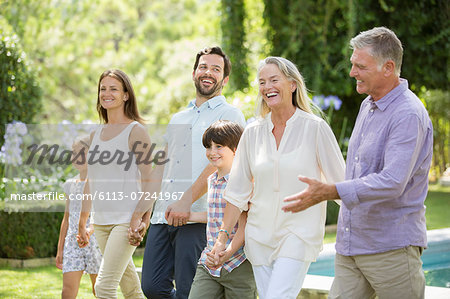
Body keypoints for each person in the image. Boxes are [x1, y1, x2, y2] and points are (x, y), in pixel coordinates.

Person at [283, 27, 433, 299]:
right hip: (352, 246)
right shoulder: (368, 105)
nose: (352, 72)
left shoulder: (408, 115)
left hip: (392, 249)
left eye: (360, 66)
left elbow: (392, 181)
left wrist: (331, 191)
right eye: (353, 64)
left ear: (388, 67)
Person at [210, 56, 345, 299]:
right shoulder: (252, 132)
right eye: (262, 82)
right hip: (258, 236)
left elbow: (342, 185)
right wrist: (222, 240)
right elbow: (237, 192)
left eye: (274, 80)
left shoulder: (315, 128)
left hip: (298, 233)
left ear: (293, 84)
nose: (267, 87)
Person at [134, 46, 246, 299]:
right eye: (204, 67)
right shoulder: (178, 117)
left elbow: (223, 162)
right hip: (163, 216)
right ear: (194, 72)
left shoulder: (229, 114)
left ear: (225, 79)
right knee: (152, 286)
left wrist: (186, 199)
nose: (208, 73)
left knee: (189, 290)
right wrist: (142, 210)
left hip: (197, 218)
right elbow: (163, 164)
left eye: (216, 69)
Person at [78, 69, 152, 299]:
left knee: (103, 288)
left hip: (125, 220)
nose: (106, 93)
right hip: (100, 223)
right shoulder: (95, 134)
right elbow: (90, 180)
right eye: (103, 89)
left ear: (126, 95)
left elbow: (150, 180)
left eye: (113, 89)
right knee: (131, 289)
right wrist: (84, 220)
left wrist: (141, 217)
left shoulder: (136, 131)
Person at [188, 120, 257, 299]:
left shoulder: (244, 182)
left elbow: (244, 226)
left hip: (238, 264)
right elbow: (215, 216)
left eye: (219, 146)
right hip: (209, 261)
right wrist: (189, 215)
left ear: (236, 149)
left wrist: (227, 254)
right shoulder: (212, 180)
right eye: (209, 147)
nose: (212, 152)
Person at [56, 136, 102, 299]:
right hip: (72, 242)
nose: (77, 157)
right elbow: (66, 218)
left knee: (100, 290)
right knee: (67, 291)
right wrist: (60, 248)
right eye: (74, 153)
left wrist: (89, 230)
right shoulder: (70, 184)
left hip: (95, 240)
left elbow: (104, 213)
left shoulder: (100, 183)